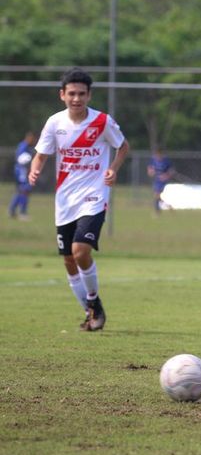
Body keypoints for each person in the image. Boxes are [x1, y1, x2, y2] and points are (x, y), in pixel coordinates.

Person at [28, 67, 129, 331]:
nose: (76, 98)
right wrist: (35, 167)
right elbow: (41, 153)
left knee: (80, 250)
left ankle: (94, 302)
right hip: (65, 200)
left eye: (81, 94)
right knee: (68, 260)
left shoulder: (102, 122)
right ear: (62, 95)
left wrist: (113, 169)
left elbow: (123, 146)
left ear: (89, 95)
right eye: (71, 93)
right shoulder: (55, 123)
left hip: (94, 196)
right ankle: (90, 311)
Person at [8, 131, 36, 220]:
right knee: (25, 190)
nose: (33, 141)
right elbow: (20, 159)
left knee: (21, 190)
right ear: (29, 138)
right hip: (21, 171)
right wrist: (28, 159)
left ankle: (12, 210)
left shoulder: (28, 147)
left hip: (22, 171)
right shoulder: (23, 146)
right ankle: (22, 212)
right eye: (32, 139)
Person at [147, 148, 175, 213]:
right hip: (156, 180)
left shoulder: (166, 161)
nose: (158, 156)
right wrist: (151, 172)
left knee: (156, 195)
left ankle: (157, 211)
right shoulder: (153, 160)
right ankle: (167, 206)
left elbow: (171, 171)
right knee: (156, 196)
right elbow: (149, 169)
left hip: (162, 181)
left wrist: (166, 176)